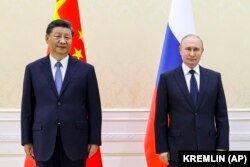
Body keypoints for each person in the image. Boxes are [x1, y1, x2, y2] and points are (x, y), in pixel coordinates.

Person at [21, 19, 102, 167]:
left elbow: (94, 109)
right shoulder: (33, 69)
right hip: (43, 139)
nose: (63, 41)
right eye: (58, 36)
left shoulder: (86, 70)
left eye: (67, 37)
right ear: (47, 38)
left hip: (76, 140)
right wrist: (26, 140)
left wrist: (94, 140)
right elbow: (27, 108)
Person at [154, 34, 229, 166]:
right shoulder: (167, 79)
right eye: (188, 49)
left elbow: (221, 116)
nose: (192, 53)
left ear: (202, 51)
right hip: (177, 149)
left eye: (196, 49)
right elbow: (160, 118)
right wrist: (162, 148)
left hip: (208, 148)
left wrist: (222, 146)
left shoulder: (214, 78)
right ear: (180, 50)